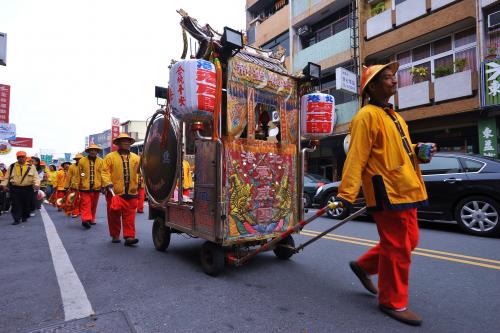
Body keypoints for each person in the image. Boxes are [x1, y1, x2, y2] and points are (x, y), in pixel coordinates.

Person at [335, 62, 436, 327]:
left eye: (393, 77)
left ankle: (365, 265)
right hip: (387, 191)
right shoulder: (366, 116)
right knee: (398, 248)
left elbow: (399, 150)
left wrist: (418, 149)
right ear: (373, 86)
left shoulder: (395, 116)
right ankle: (392, 301)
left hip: (406, 187)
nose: (394, 81)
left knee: (409, 240)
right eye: (388, 78)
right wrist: (346, 194)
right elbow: (356, 157)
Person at [102, 133, 141, 246]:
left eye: (127, 141)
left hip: (132, 191)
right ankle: (115, 235)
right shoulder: (110, 157)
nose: (126, 143)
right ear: (118, 143)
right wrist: (108, 183)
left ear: (130, 143)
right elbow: (104, 171)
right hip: (115, 192)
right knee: (114, 215)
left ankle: (129, 236)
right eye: (123, 141)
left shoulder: (136, 158)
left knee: (130, 216)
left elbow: (141, 171)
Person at [0, 151, 40, 225]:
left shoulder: (31, 166)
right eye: (19, 157)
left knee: (26, 204)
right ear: (17, 158)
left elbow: (36, 177)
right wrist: (4, 185)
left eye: (22, 157)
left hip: (28, 188)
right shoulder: (12, 166)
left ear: (25, 158)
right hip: (15, 188)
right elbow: (6, 178)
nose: (21, 158)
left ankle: (24, 216)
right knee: (15, 204)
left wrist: (37, 184)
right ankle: (16, 219)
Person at [78, 144, 104, 229]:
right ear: (88, 151)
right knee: (86, 204)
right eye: (91, 150)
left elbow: (102, 174)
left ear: (97, 152)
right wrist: (82, 177)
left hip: (97, 186)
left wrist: (103, 185)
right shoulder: (82, 160)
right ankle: (86, 219)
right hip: (85, 186)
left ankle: (92, 218)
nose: (93, 151)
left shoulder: (101, 161)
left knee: (94, 204)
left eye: (95, 150)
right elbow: (80, 172)